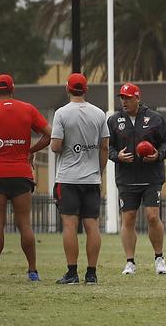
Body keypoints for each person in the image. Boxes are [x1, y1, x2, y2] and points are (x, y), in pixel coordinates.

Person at [0, 74, 50, 282]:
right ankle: (33, 271)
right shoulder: (27, 109)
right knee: (25, 224)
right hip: (21, 173)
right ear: (13, 89)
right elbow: (49, 133)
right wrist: (30, 151)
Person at [106, 82, 166, 276]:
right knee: (128, 219)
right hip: (126, 179)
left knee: (152, 216)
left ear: (137, 98)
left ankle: (159, 258)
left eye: (128, 98)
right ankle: (130, 262)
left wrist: (158, 154)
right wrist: (116, 156)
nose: (124, 101)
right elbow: (107, 146)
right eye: (122, 98)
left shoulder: (155, 119)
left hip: (151, 177)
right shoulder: (114, 121)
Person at [49, 72, 109, 285]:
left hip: (68, 178)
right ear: (86, 89)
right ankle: (91, 273)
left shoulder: (61, 113)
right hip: (91, 179)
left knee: (69, 226)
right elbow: (104, 146)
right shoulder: (99, 113)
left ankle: (72, 272)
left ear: (67, 89)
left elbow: (55, 146)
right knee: (92, 225)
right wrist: (98, 171)